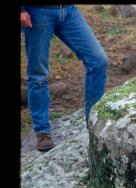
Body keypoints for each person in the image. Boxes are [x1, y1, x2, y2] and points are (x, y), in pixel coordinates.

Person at [20, 5, 108, 152]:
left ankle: (92, 121)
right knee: (38, 74)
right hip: (37, 12)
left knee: (98, 61)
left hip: (68, 11)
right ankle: (42, 132)